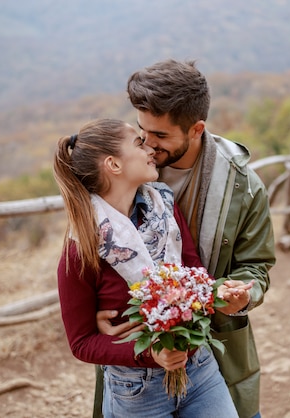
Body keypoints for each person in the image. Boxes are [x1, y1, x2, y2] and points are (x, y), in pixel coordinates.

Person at [96, 59, 277, 418]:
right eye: (142, 131)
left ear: (196, 129)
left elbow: (256, 268)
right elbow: (91, 242)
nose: (147, 144)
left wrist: (239, 295)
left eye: (161, 136)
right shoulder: (121, 168)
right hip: (137, 364)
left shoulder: (244, 185)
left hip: (216, 349)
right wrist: (96, 320)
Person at [54, 118, 239, 418]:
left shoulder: (165, 208)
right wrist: (148, 352)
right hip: (136, 391)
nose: (150, 147)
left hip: (200, 370)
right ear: (114, 165)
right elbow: (81, 342)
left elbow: (195, 274)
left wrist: (220, 292)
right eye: (139, 143)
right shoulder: (81, 249)